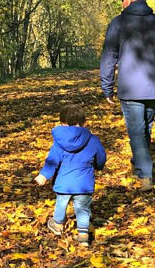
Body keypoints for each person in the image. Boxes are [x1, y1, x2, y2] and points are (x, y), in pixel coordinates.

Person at [100, 0, 155, 191]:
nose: (121, 2)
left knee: (137, 131)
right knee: (144, 129)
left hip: (130, 89)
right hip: (153, 88)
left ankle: (145, 175)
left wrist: (107, 87)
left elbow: (109, 56)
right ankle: (138, 165)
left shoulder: (118, 23)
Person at [35, 105, 106, 247]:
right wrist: (98, 166)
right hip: (84, 183)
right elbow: (101, 158)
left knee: (61, 203)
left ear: (62, 122)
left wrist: (43, 175)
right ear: (83, 122)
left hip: (64, 183)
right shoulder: (92, 140)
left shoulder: (59, 142)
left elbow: (52, 160)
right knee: (83, 208)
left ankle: (58, 224)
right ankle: (83, 235)